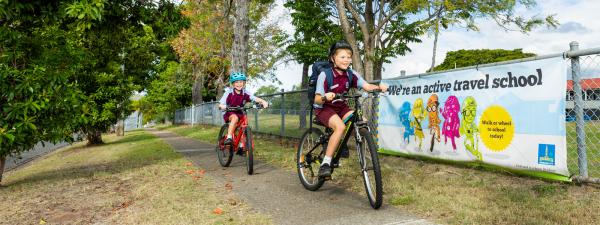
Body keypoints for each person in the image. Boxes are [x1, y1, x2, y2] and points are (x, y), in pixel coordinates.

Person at [313, 41, 388, 178]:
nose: (346, 60)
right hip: (324, 108)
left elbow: (366, 86)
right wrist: (325, 97)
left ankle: (348, 148)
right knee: (340, 127)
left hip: (341, 107)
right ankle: (326, 163)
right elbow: (316, 99)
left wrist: (379, 87)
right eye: (342, 57)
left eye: (349, 57)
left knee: (362, 122)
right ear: (332, 58)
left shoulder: (351, 74)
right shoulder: (325, 75)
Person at [218, 72, 269, 151]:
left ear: (244, 83)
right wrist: (223, 106)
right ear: (233, 84)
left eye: (241, 82)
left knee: (244, 125)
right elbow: (221, 104)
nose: (239, 84)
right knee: (235, 118)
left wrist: (263, 101)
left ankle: (241, 146)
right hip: (230, 112)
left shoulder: (245, 92)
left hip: (240, 112)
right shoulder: (229, 92)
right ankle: (229, 138)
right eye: (236, 82)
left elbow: (254, 98)